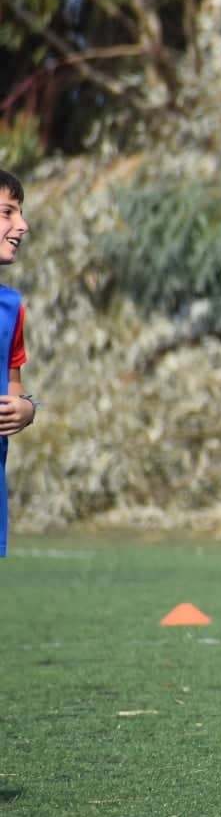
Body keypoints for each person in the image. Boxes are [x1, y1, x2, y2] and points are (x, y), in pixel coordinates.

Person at [0, 168, 35, 559]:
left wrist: (26, 409)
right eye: (7, 212)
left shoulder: (11, 307)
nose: (22, 225)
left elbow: (14, 384)